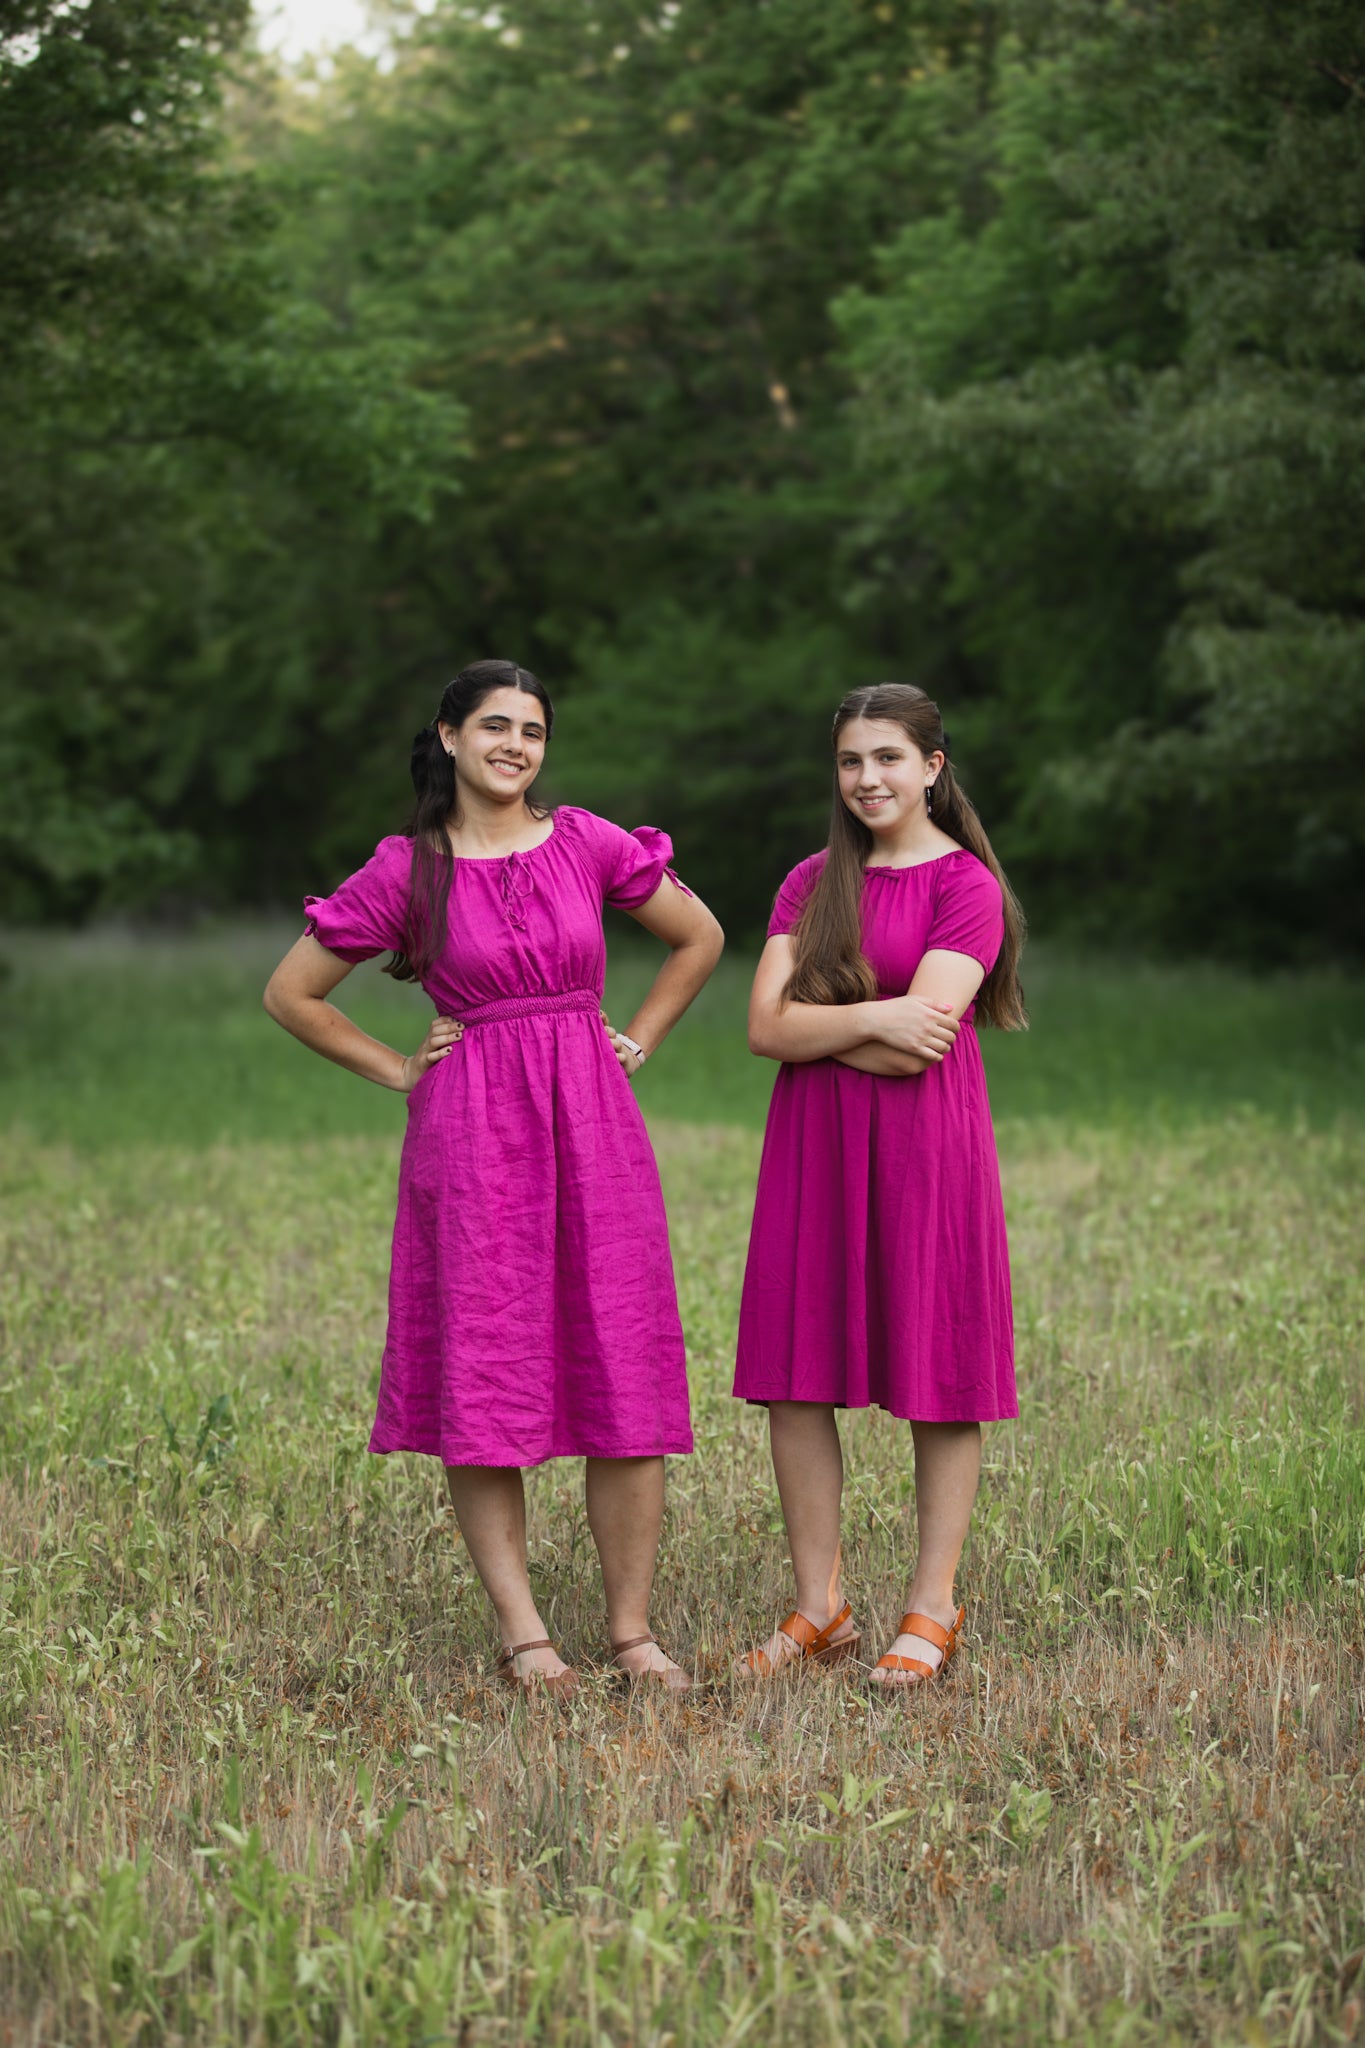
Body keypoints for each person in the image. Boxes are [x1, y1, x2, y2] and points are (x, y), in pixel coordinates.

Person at [264, 659, 723, 1693]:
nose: (516, 745)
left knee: (622, 1363)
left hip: (593, 1119)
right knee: (487, 1369)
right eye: (496, 726)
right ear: (450, 737)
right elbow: (293, 992)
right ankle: (526, 1637)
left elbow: (700, 937)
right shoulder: (405, 870)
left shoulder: (587, 841)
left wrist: (637, 1039)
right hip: (470, 1130)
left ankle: (633, 1631)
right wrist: (396, 1068)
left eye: (533, 730)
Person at [733, 683, 1026, 1688]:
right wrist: (878, 1016)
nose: (868, 778)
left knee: (938, 1372)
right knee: (793, 1372)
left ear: (933, 767)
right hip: (811, 1147)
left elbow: (924, 1047)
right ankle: (821, 1605)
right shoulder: (810, 881)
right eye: (852, 760)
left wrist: (828, 1023)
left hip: (923, 1149)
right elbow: (764, 1029)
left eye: (889, 758)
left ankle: (930, 1603)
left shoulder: (965, 887)